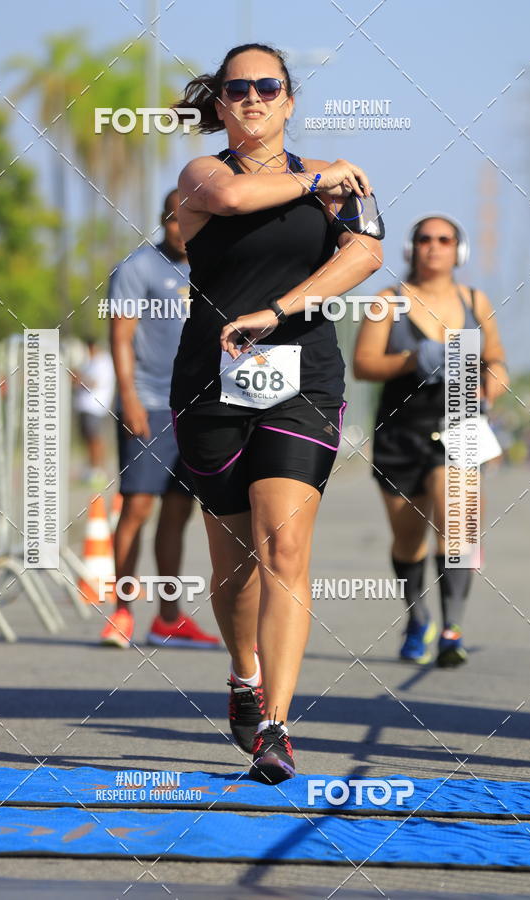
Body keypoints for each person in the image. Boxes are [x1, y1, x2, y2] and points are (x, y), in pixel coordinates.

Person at [169, 42, 383, 783]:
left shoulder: (333, 179)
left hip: (303, 379)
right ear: (222, 104)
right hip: (210, 382)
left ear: (290, 100)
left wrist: (280, 309)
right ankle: (242, 674)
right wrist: (320, 178)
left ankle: (277, 727)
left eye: (269, 87)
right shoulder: (203, 176)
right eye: (239, 89)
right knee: (235, 567)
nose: (254, 98)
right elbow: (229, 204)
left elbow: (365, 256)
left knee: (283, 548)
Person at [353, 214, 508, 667]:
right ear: (411, 248)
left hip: (461, 422)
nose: (434, 247)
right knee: (408, 538)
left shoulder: (475, 301)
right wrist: (412, 359)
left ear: (457, 251)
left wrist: (489, 388)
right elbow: (363, 365)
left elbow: (496, 359)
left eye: (444, 240)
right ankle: (419, 617)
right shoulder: (388, 301)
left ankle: (452, 629)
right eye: (424, 239)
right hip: (402, 429)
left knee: (458, 524)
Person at [99, 189, 220, 650]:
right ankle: (123, 612)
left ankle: (168, 617)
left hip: (200, 407)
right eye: (175, 218)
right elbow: (121, 338)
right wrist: (128, 398)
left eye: (194, 218)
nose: (183, 227)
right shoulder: (137, 268)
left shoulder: (215, 267)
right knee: (138, 507)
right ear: (163, 219)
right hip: (149, 403)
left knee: (178, 511)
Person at [73, 338, 115, 488]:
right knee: (88, 439)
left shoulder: (103, 362)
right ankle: (92, 468)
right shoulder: (89, 362)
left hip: (95, 407)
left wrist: (79, 379)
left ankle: (98, 470)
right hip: (85, 406)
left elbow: (95, 382)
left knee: (95, 439)